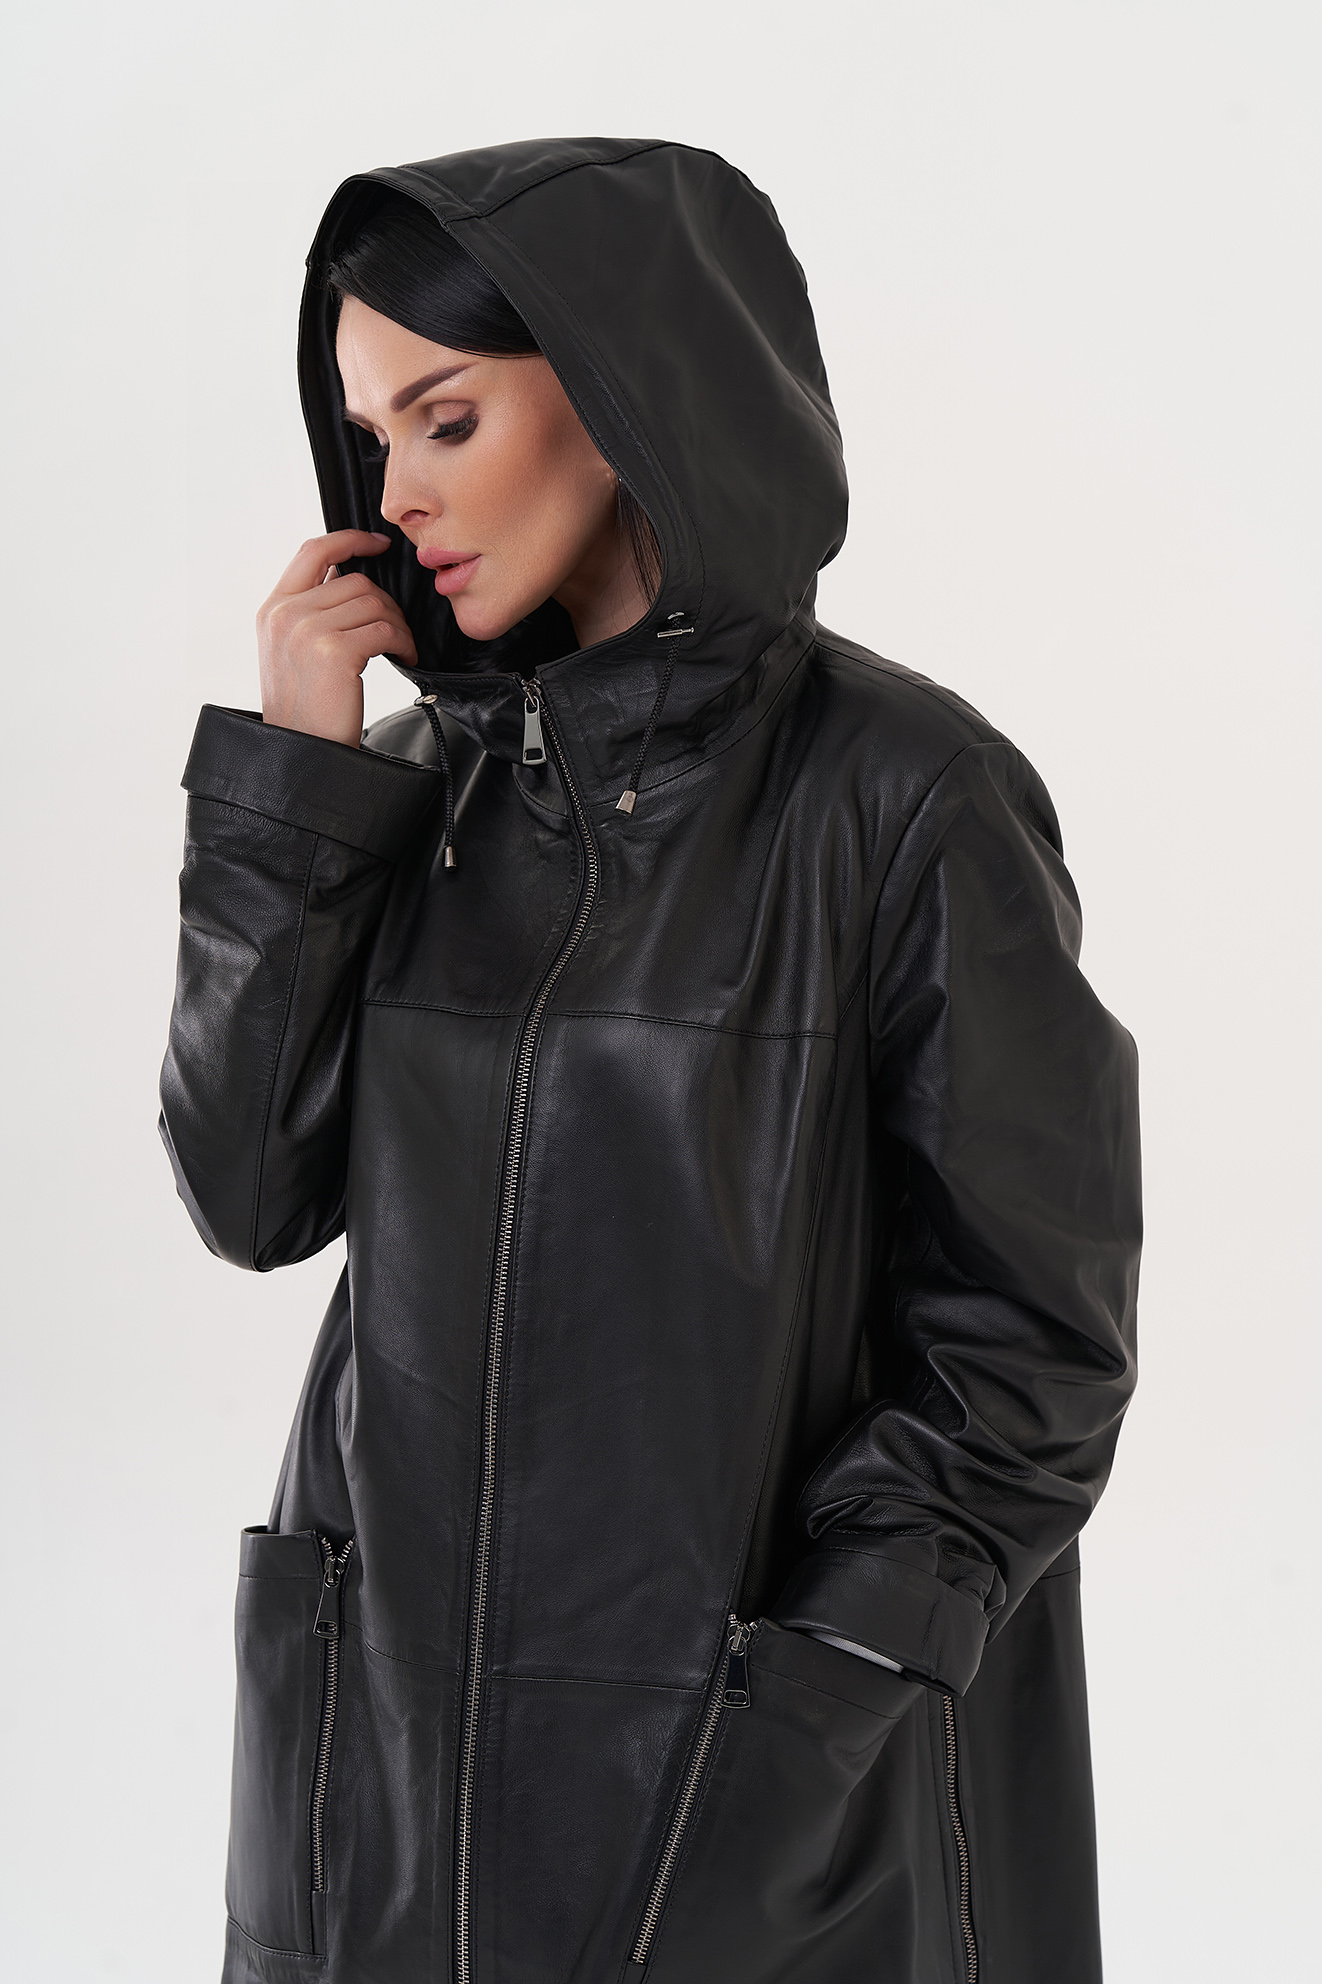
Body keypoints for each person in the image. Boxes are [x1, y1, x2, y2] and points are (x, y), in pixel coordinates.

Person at [160, 137, 1141, 1984]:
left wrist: (811, 1696)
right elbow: (248, 1197)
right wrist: (295, 793)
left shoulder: (904, 798)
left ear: (621, 394)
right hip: (382, 1788)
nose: (396, 496)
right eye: (371, 437)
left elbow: (1028, 1350)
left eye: (448, 419)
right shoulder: (414, 801)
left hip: (750, 1811)